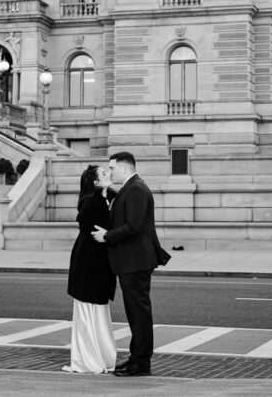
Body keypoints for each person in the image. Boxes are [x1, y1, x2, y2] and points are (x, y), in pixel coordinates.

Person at [92, 151, 170, 378]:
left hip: (135, 261)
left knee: (139, 313)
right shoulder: (131, 187)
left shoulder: (136, 189)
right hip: (132, 261)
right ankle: (136, 357)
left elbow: (133, 226)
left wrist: (107, 236)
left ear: (125, 168)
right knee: (136, 313)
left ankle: (141, 363)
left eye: (113, 168)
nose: (110, 171)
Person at [63, 164, 117, 374]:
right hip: (88, 263)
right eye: (104, 173)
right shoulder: (90, 203)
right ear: (95, 182)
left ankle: (101, 356)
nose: (108, 174)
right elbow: (95, 228)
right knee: (89, 309)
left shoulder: (108, 198)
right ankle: (88, 360)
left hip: (98, 262)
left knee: (98, 309)